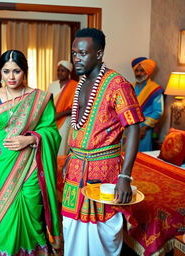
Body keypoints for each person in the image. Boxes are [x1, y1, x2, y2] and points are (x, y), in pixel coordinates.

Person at [61, 28, 144, 256]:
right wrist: (71, 156)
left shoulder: (117, 84)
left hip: (104, 171)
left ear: (98, 54)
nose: (76, 58)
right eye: (74, 53)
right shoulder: (81, 82)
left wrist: (125, 177)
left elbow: (134, 126)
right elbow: (80, 127)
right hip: (76, 171)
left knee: (102, 234)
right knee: (71, 228)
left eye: (82, 53)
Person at [0, 50, 61, 255]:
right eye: (6, 71)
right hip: (0, 168)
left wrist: (29, 139)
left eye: (16, 71)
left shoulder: (40, 98)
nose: (11, 77)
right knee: (3, 221)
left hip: (30, 169)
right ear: (0, 73)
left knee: (31, 215)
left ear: (24, 72)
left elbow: (52, 133)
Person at [131, 57, 164, 151]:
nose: (138, 73)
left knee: (142, 155)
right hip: (129, 127)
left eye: (142, 70)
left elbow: (158, 112)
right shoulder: (131, 87)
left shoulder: (154, 89)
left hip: (144, 129)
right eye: (136, 70)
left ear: (148, 72)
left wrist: (144, 127)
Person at [48, 60, 77, 156]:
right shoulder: (52, 85)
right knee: (52, 144)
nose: (60, 72)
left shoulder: (75, 86)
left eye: (63, 70)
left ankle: (62, 166)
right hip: (52, 119)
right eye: (58, 70)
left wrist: (60, 114)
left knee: (63, 145)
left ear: (69, 72)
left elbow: (76, 107)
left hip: (66, 120)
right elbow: (48, 102)